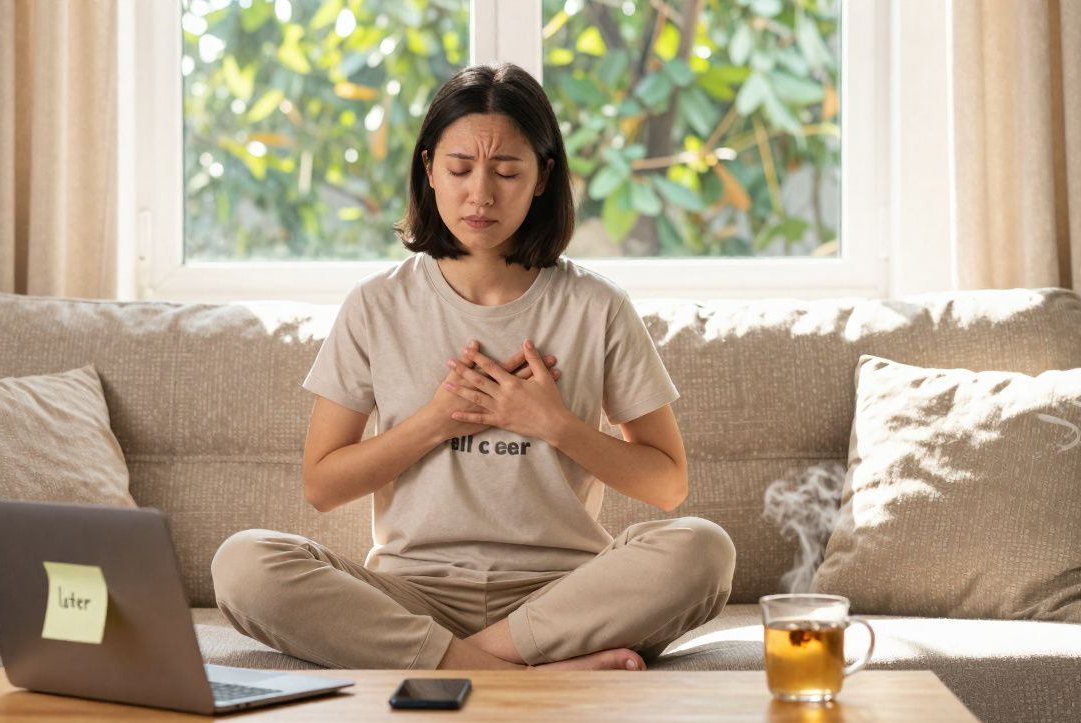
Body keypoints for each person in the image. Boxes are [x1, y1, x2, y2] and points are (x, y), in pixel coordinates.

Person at [211, 62, 735, 671]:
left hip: (560, 595)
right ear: (429, 168)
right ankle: (524, 677)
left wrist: (553, 424)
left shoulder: (597, 306)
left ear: (543, 177)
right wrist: (436, 421)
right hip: (410, 595)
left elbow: (667, 483)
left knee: (703, 549)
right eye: (460, 169)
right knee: (245, 563)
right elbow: (322, 485)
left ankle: (465, 666)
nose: (480, 194)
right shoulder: (377, 305)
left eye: (507, 171)